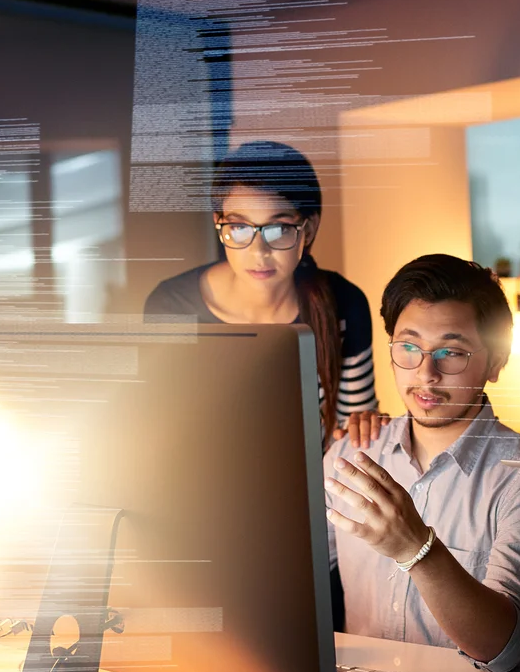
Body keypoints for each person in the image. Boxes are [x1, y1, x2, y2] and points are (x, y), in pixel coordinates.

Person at [323, 254, 520, 672]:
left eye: (451, 353)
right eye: (408, 347)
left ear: (495, 361)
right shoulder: (352, 454)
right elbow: (291, 577)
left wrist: (414, 548)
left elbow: (504, 650)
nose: (425, 374)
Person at [144, 141, 382, 448]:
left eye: (279, 228)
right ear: (219, 223)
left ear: (307, 230)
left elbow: (356, 439)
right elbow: (161, 430)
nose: (259, 253)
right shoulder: (171, 307)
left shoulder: (344, 305)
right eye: (240, 227)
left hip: (318, 491)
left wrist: (369, 426)